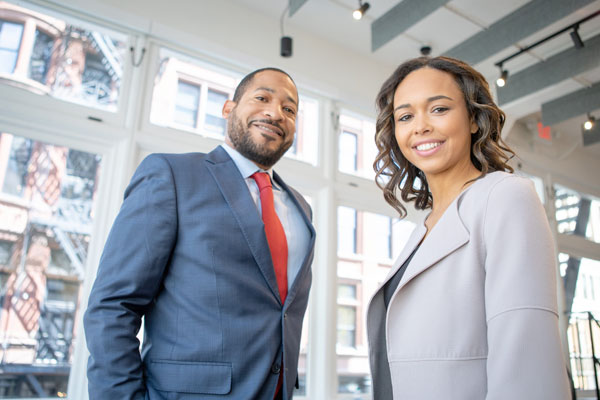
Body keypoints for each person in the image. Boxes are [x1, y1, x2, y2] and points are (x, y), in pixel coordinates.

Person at [84, 67, 316, 400]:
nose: (275, 112)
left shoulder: (300, 208)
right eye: (262, 98)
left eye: (289, 109)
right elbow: (114, 306)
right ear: (228, 108)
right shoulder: (171, 175)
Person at [366, 56, 570, 399]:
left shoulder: (505, 197)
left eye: (439, 109)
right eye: (405, 116)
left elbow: (527, 361)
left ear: (474, 119)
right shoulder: (424, 228)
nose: (420, 127)